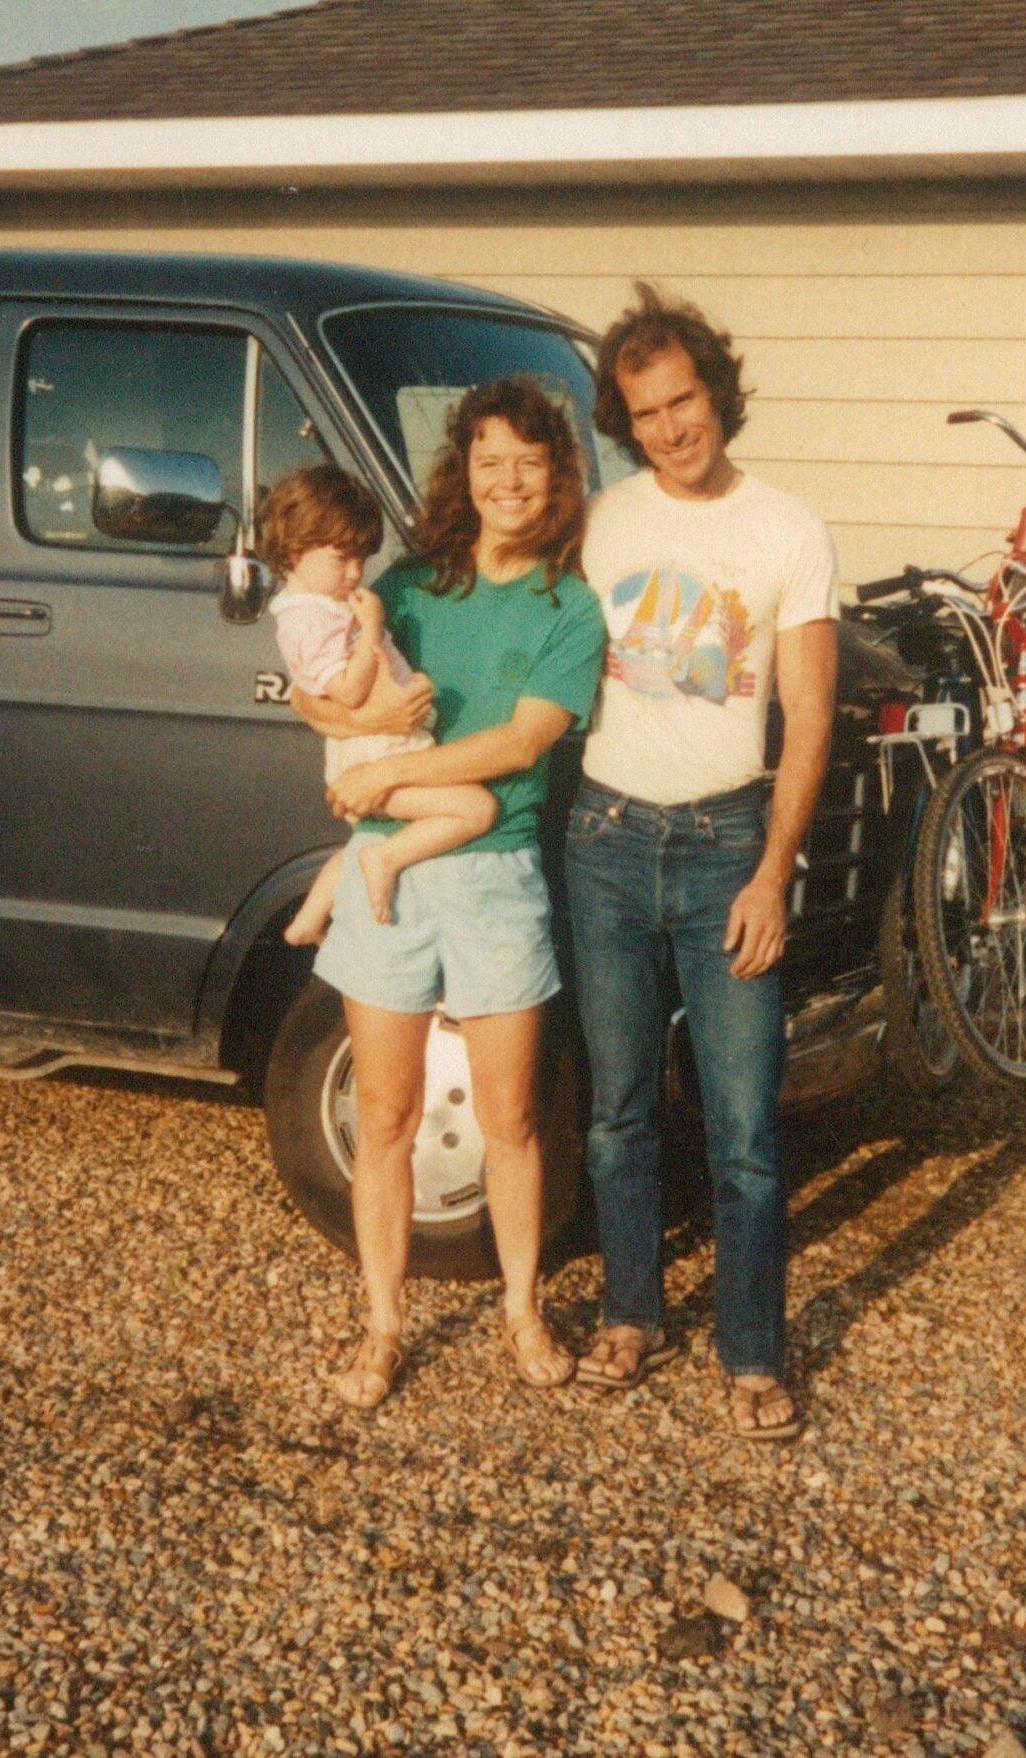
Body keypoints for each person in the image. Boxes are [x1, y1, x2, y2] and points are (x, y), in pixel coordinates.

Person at [291, 375, 606, 1410]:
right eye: (488, 461)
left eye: (529, 460)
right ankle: (382, 1326)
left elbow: (522, 743)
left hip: (493, 877)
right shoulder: (410, 587)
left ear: (556, 476)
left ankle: (520, 1308)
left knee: (513, 1117)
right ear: (461, 475)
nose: (508, 480)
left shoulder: (570, 606)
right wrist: (335, 728)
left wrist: (383, 775)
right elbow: (321, 680)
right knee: (383, 1115)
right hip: (391, 872)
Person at [569, 284, 838, 1442]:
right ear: (623, 423)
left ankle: (753, 1353)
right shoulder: (600, 523)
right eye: (646, 411)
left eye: (685, 400)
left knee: (743, 1129)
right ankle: (632, 1315)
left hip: (730, 840)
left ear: (718, 395)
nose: (672, 427)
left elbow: (810, 718)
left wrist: (773, 869)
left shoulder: (789, 530)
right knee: (618, 1111)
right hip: (608, 839)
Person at [263, 465, 496, 943]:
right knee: (476, 809)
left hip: (384, 750)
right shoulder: (307, 619)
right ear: (293, 550)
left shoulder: (323, 605)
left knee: (369, 836)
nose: (355, 574)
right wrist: (372, 627)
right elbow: (346, 691)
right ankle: (384, 861)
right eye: (341, 559)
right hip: (374, 758)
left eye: (361, 561)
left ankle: (307, 921)